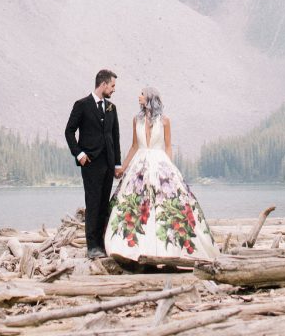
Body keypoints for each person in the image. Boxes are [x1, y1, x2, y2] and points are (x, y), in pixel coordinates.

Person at [105, 86, 217, 263]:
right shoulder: (137, 120)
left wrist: (171, 169)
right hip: (139, 165)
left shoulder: (165, 121)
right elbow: (134, 146)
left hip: (160, 163)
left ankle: (172, 248)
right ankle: (131, 245)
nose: (139, 96)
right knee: (134, 203)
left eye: (142, 94)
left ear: (150, 98)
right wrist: (123, 167)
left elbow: (168, 146)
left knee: (165, 204)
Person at [65, 69, 122, 258]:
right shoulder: (81, 105)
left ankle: (103, 244)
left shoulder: (112, 108)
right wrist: (78, 153)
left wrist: (117, 164)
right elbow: (69, 132)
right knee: (93, 203)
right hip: (90, 163)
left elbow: (115, 136)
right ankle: (92, 247)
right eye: (112, 86)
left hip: (108, 163)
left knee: (105, 204)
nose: (114, 90)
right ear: (103, 84)